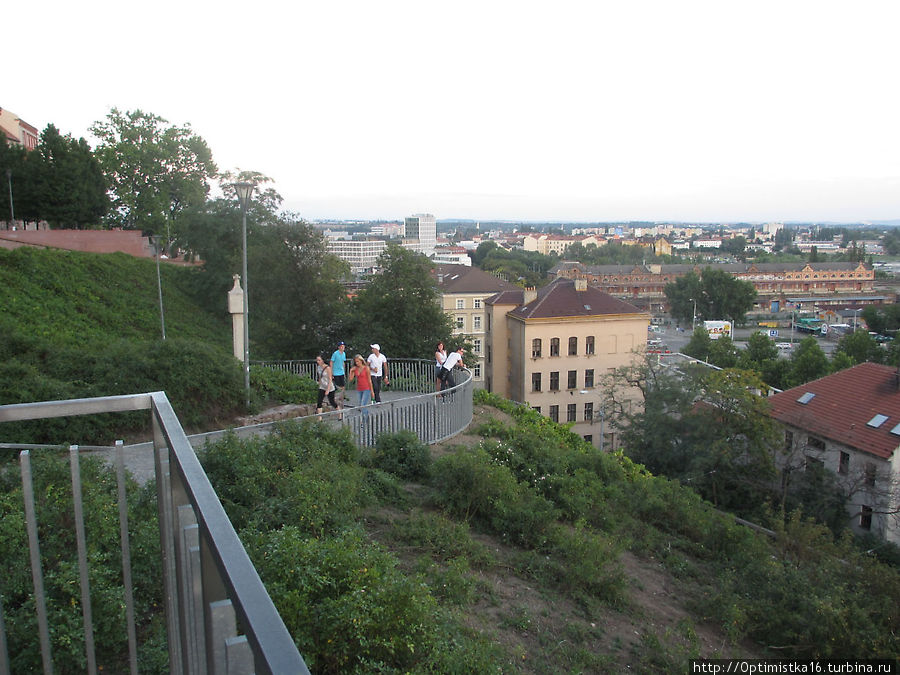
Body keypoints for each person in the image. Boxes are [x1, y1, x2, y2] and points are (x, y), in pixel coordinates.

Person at [329, 341, 347, 409]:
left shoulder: (344, 354)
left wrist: (344, 370)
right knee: (337, 386)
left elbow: (343, 362)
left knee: (343, 385)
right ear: (339, 347)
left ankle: (342, 397)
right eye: (341, 346)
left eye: (343, 346)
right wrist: (331, 372)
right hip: (336, 372)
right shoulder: (335, 353)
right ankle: (337, 399)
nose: (343, 348)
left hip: (341, 372)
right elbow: (331, 362)